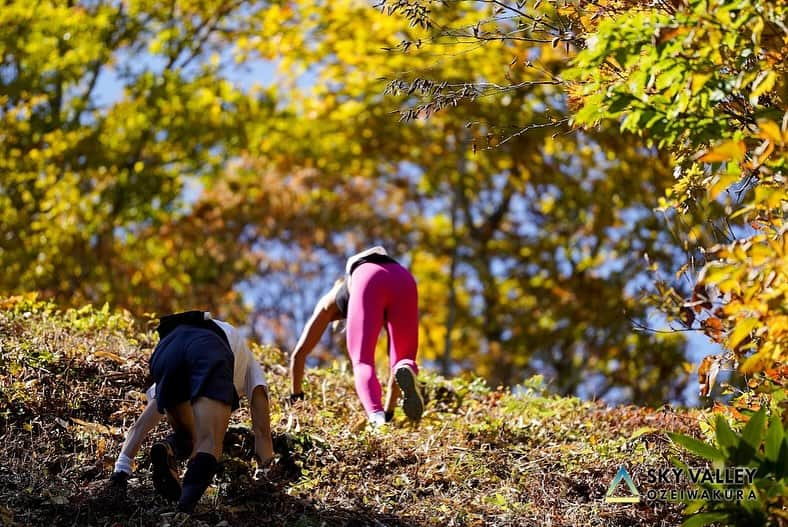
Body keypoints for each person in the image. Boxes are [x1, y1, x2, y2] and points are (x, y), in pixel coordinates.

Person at [109, 311, 274, 513]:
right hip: (209, 348)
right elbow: (262, 430)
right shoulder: (251, 364)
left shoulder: (210, 338)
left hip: (167, 347)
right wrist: (264, 474)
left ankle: (161, 452)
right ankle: (183, 511)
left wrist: (122, 466)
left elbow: (147, 417)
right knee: (210, 441)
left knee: (189, 435)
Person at [289, 246, 424, 427]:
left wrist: (295, 397)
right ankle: (403, 376)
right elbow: (398, 375)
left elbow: (299, 354)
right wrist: (389, 411)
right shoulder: (382, 293)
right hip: (404, 279)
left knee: (362, 361)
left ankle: (376, 418)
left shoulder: (330, 300)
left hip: (368, 278)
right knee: (402, 361)